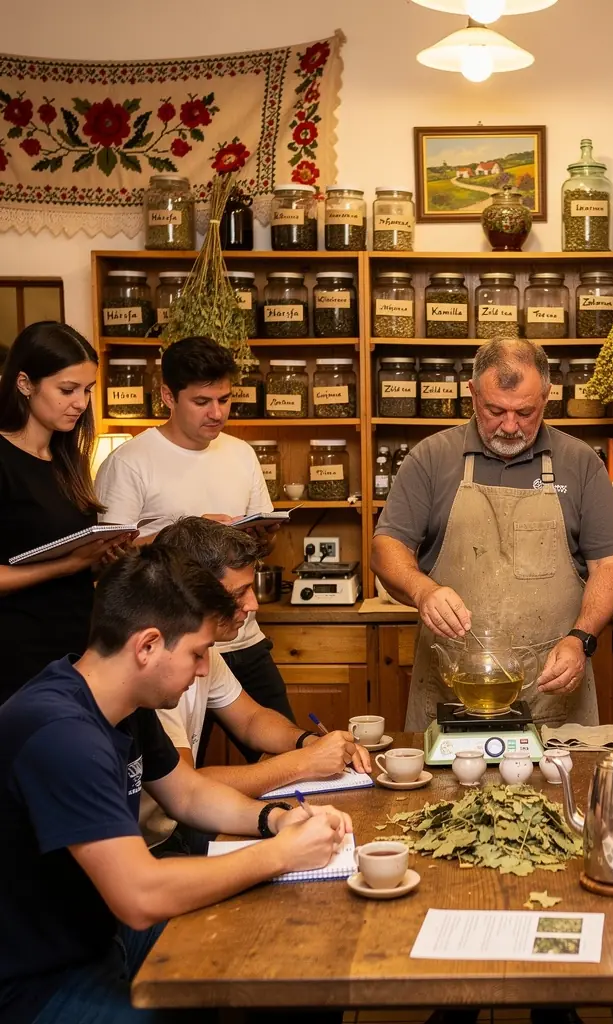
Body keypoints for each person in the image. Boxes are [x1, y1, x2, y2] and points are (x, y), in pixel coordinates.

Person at [0, 545, 351, 1024]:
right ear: (146, 646)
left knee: (281, 944)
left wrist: (278, 818)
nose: (205, 668)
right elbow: (141, 896)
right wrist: (282, 854)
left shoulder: (122, 703)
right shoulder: (61, 734)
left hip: (100, 933)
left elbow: (187, 793)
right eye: (198, 652)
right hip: (34, 980)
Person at [371, 338, 613, 729]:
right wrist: (423, 590)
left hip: (551, 692)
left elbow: (609, 564)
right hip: (453, 685)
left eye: (525, 412)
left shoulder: (581, 463)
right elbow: (386, 547)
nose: (510, 426)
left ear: (546, 397)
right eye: (495, 410)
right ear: (472, 394)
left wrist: (582, 638)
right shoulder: (430, 458)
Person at [94, 336, 295, 757]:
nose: (217, 413)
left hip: (242, 639)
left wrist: (263, 537)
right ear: (168, 395)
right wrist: (186, 533)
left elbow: (256, 548)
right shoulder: (131, 461)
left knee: (286, 751)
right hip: (175, 647)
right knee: (181, 770)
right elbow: (109, 563)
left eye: (224, 399)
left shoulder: (241, 454)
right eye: (202, 401)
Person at [141, 516, 371, 853]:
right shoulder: (158, 667)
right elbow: (186, 786)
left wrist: (307, 742)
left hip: (180, 825)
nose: (253, 604)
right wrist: (303, 763)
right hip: (154, 843)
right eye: (240, 592)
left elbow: (251, 719)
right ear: (194, 591)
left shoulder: (204, 650)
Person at [0, 322, 133, 703]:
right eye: (67, 390)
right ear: (25, 384)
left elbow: (66, 553)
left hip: (75, 645)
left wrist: (103, 557)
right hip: (17, 654)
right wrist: (69, 565)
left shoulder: (64, 459)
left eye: (87, 390)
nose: (81, 403)